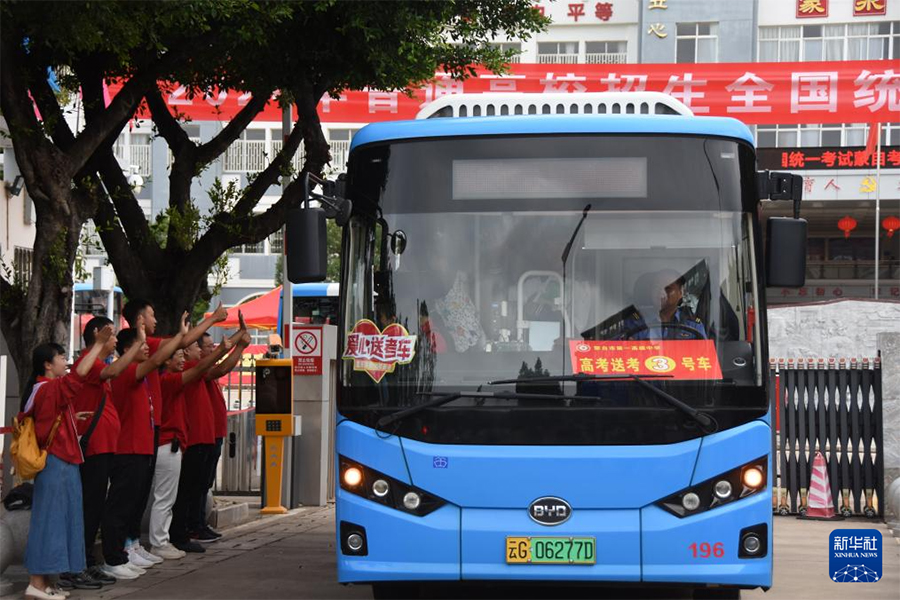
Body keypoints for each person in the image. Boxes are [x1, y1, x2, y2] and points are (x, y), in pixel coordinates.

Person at [117, 300, 227, 566]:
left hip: (154, 435)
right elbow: (182, 350)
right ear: (140, 321)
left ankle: (134, 544)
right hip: (148, 439)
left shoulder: (151, 361)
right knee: (146, 497)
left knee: (144, 496)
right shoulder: (150, 360)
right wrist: (210, 321)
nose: (155, 320)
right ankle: (139, 545)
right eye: (151, 315)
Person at [20, 324, 113, 600]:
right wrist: (98, 345)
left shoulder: (45, 389)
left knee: (60, 521)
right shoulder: (47, 388)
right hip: (56, 463)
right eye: (61, 357)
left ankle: (46, 582)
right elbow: (78, 377)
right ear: (48, 365)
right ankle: (36, 584)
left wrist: (74, 417)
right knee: (50, 522)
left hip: (62, 462)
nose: (65, 361)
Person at [60, 316, 147, 590]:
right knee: (90, 507)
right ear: (98, 334)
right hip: (94, 447)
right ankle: (79, 564)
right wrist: (138, 343)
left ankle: (85, 562)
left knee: (94, 507)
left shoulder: (98, 363)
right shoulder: (91, 362)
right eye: (112, 335)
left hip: (105, 446)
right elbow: (114, 371)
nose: (115, 341)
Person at [101, 317, 187, 580]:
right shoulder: (125, 371)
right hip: (126, 449)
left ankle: (124, 553)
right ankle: (113, 558)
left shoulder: (142, 376)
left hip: (140, 449)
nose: (148, 349)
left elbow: (155, 360)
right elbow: (157, 359)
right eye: (142, 345)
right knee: (119, 506)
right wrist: (179, 336)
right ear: (128, 350)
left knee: (132, 505)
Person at [148, 337, 232, 560]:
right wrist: (225, 343)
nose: (182, 359)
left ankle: (174, 536)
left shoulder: (175, 377)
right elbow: (207, 368)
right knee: (170, 497)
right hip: (171, 444)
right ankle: (166, 539)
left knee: (182, 492)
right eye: (178, 355)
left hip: (180, 442)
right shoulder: (170, 379)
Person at [198, 325, 251, 539]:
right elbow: (222, 369)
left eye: (213, 346)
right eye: (208, 347)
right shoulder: (199, 369)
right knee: (198, 484)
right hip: (203, 436)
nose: (213, 350)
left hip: (215, 434)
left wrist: (240, 334)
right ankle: (194, 525)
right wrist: (240, 347)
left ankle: (199, 523)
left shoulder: (206, 368)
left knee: (205, 482)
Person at [618, 269, 707, 340]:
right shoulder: (635, 323)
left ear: (681, 292)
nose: (661, 293)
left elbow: (705, 355)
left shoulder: (693, 325)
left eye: (667, 288)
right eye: (656, 287)